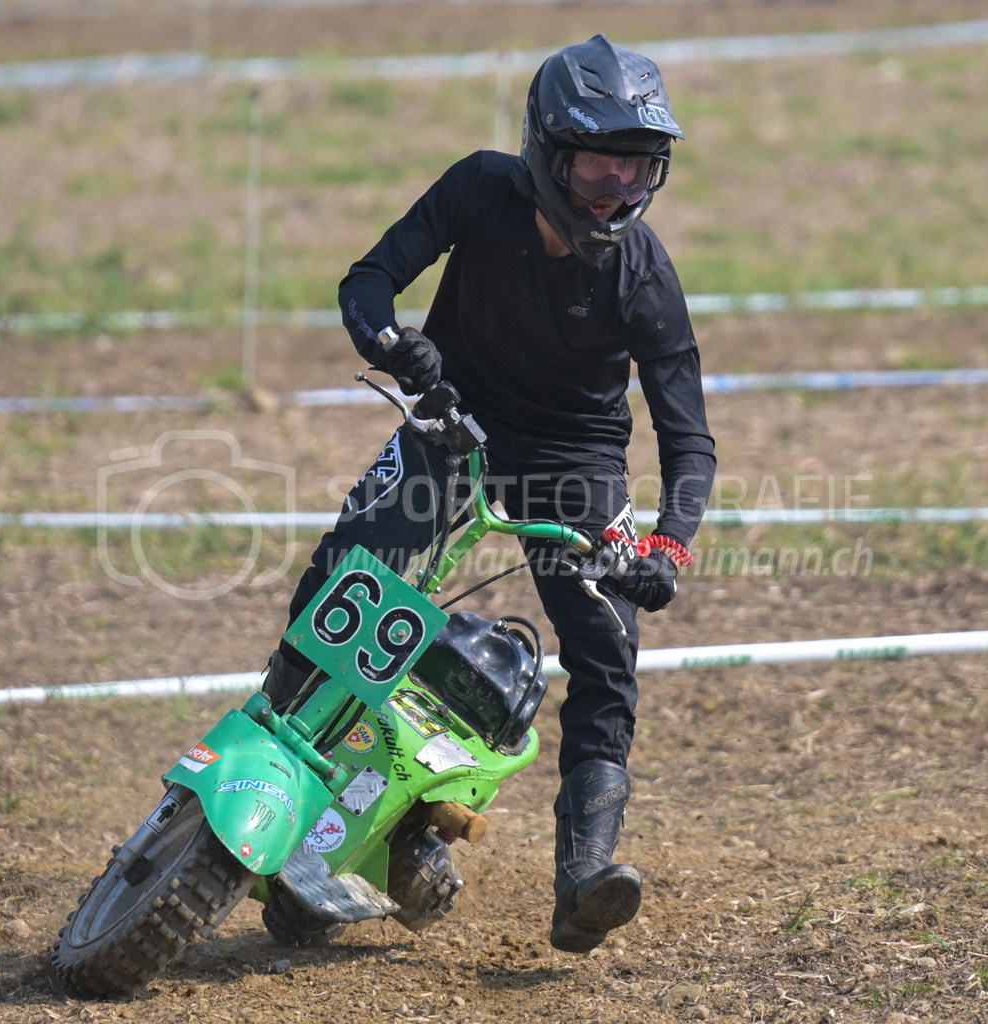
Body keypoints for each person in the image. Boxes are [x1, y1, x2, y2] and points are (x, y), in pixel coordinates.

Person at [264, 34, 716, 954]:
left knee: (605, 660)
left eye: (636, 170)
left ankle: (584, 878)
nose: (614, 190)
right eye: (596, 161)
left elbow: (689, 438)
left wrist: (667, 547)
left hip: (574, 462)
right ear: (546, 151)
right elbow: (368, 282)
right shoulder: (480, 187)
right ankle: (272, 796)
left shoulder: (645, 274)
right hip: (453, 423)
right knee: (346, 591)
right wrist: (398, 349)